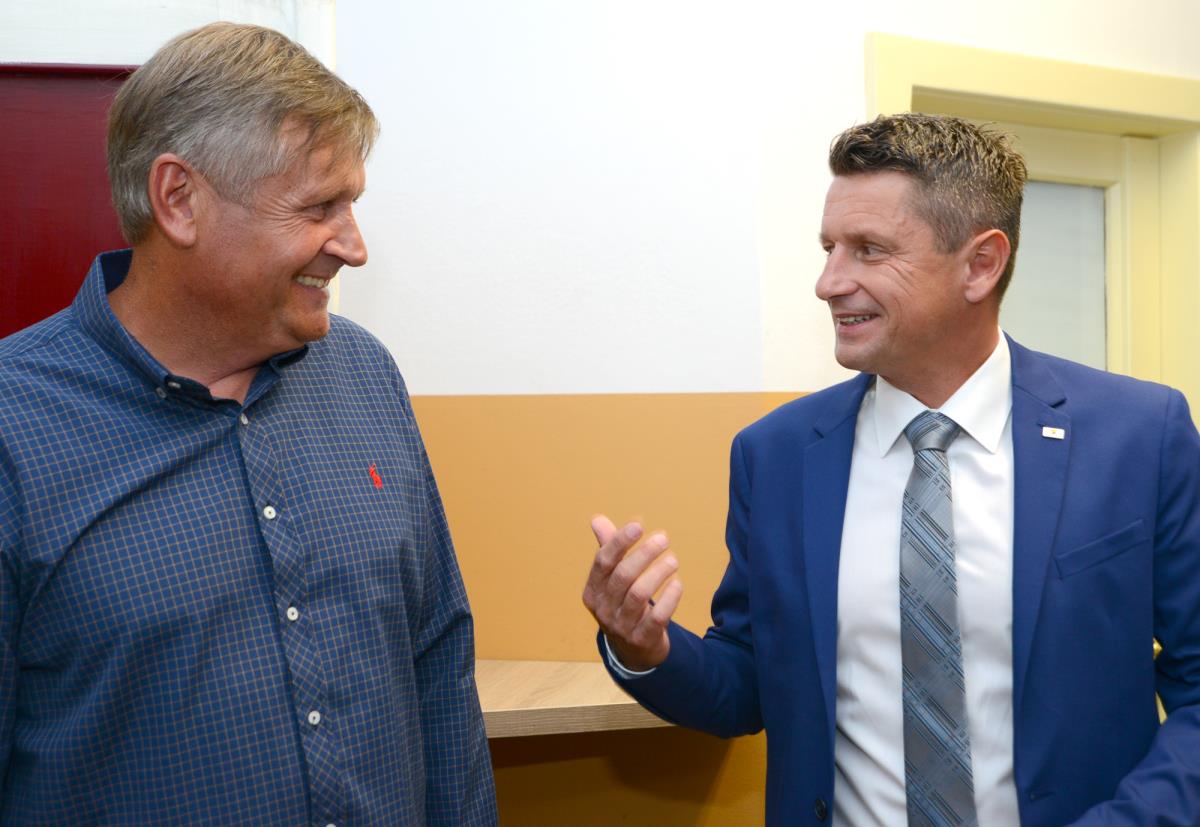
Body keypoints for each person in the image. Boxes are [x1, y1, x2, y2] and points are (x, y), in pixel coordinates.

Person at [583, 113, 1200, 826]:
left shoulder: (1139, 436)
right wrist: (647, 648)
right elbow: (749, 680)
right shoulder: (776, 455)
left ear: (981, 264)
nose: (827, 282)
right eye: (829, 249)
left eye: (868, 250)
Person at [0, 22, 496, 825]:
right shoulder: (15, 427)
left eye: (352, 204)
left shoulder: (365, 376)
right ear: (179, 199)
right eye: (319, 206)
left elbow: (437, 658)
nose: (354, 247)